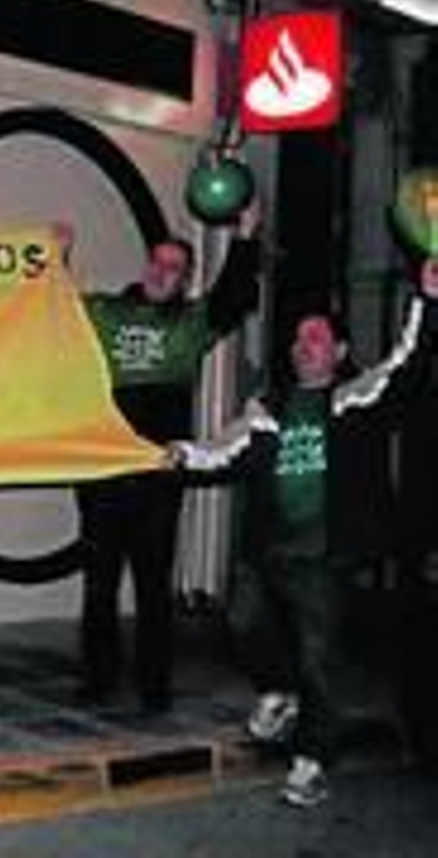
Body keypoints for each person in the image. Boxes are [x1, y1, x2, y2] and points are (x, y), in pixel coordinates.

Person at [170, 257, 438, 808]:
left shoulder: (356, 399)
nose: (302, 345)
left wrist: (427, 300)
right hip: (268, 550)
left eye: (315, 337)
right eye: (297, 338)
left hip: (326, 556)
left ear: (338, 352)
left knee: (321, 658)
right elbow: (223, 450)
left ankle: (311, 761)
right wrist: (178, 455)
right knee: (242, 621)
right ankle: (277, 692)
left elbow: (407, 363)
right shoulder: (266, 409)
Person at [63, 201, 261, 714]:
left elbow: (234, 297)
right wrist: (55, 258)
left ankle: (155, 685)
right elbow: (50, 311)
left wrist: (245, 234)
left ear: (185, 279)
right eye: (157, 261)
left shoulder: (194, 323)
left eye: (174, 267)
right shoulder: (104, 311)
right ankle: (97, 679)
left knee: (153, 586)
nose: (161, 272)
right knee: (100, 585)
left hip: (158, 475)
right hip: (103, 472)